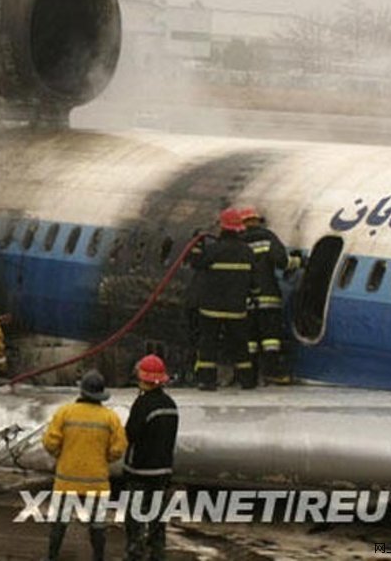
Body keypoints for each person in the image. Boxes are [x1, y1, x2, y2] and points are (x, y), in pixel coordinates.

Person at [41, 370, 127, 561]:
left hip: (66, 480)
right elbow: (119, 448)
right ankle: (98, 558)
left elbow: (50, 442)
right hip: (96, 483)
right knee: (97, 526)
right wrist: (104, 459)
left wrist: (61, 455)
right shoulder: (110, 417)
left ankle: (51, 557)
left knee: (59, 523)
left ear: (82, 391)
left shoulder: (65, 412)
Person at [189, 208, 259, 391]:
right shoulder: (247, 252)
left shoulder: (214, 250)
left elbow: (196, 263)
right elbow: (254, 281)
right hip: (236, 309)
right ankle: (247, 380)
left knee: (208, 346)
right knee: (240, 345)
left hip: (211, 309)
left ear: (222, 228)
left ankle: (206, 381)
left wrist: (196, 245)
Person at [123, 355, 179, 561]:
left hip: (140, 470)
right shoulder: (170, 404)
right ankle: (157, 553)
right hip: (163, 470)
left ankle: (135, 554)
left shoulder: (142, 404)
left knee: (135, 518)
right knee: (157, 518)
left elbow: (131, 434)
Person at [239, 207, 300, 385]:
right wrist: (298, 261)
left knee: (249, 340)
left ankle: (248, 375)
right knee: (271, 339)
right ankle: (272, 372)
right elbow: (283, 262)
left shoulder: (237, 242)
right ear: (258, 221)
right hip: (268, 298)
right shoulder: (267, 238)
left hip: (245, 300)